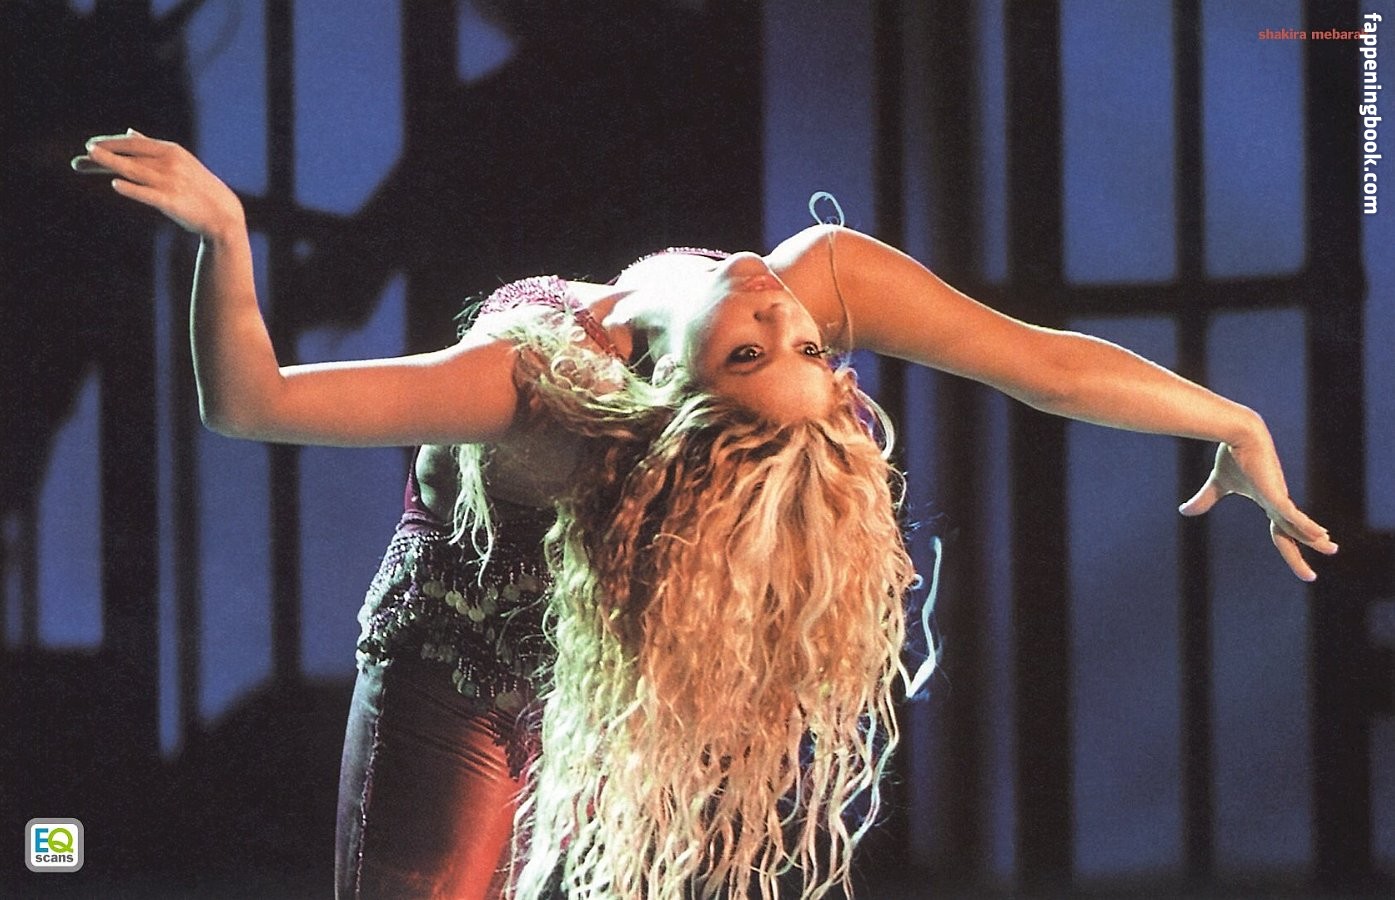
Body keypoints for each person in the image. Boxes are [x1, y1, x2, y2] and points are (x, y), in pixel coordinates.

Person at [73, 131, 1337, 900]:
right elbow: (1040, 363)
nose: (781, 313)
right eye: (798, 346)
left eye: (753, 352)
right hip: (477, 668)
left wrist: (225, 235)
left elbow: (250, 403)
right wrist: (1230, 422)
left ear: (673, 391)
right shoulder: (813, 280)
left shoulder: (540, 383)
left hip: (505, 688)